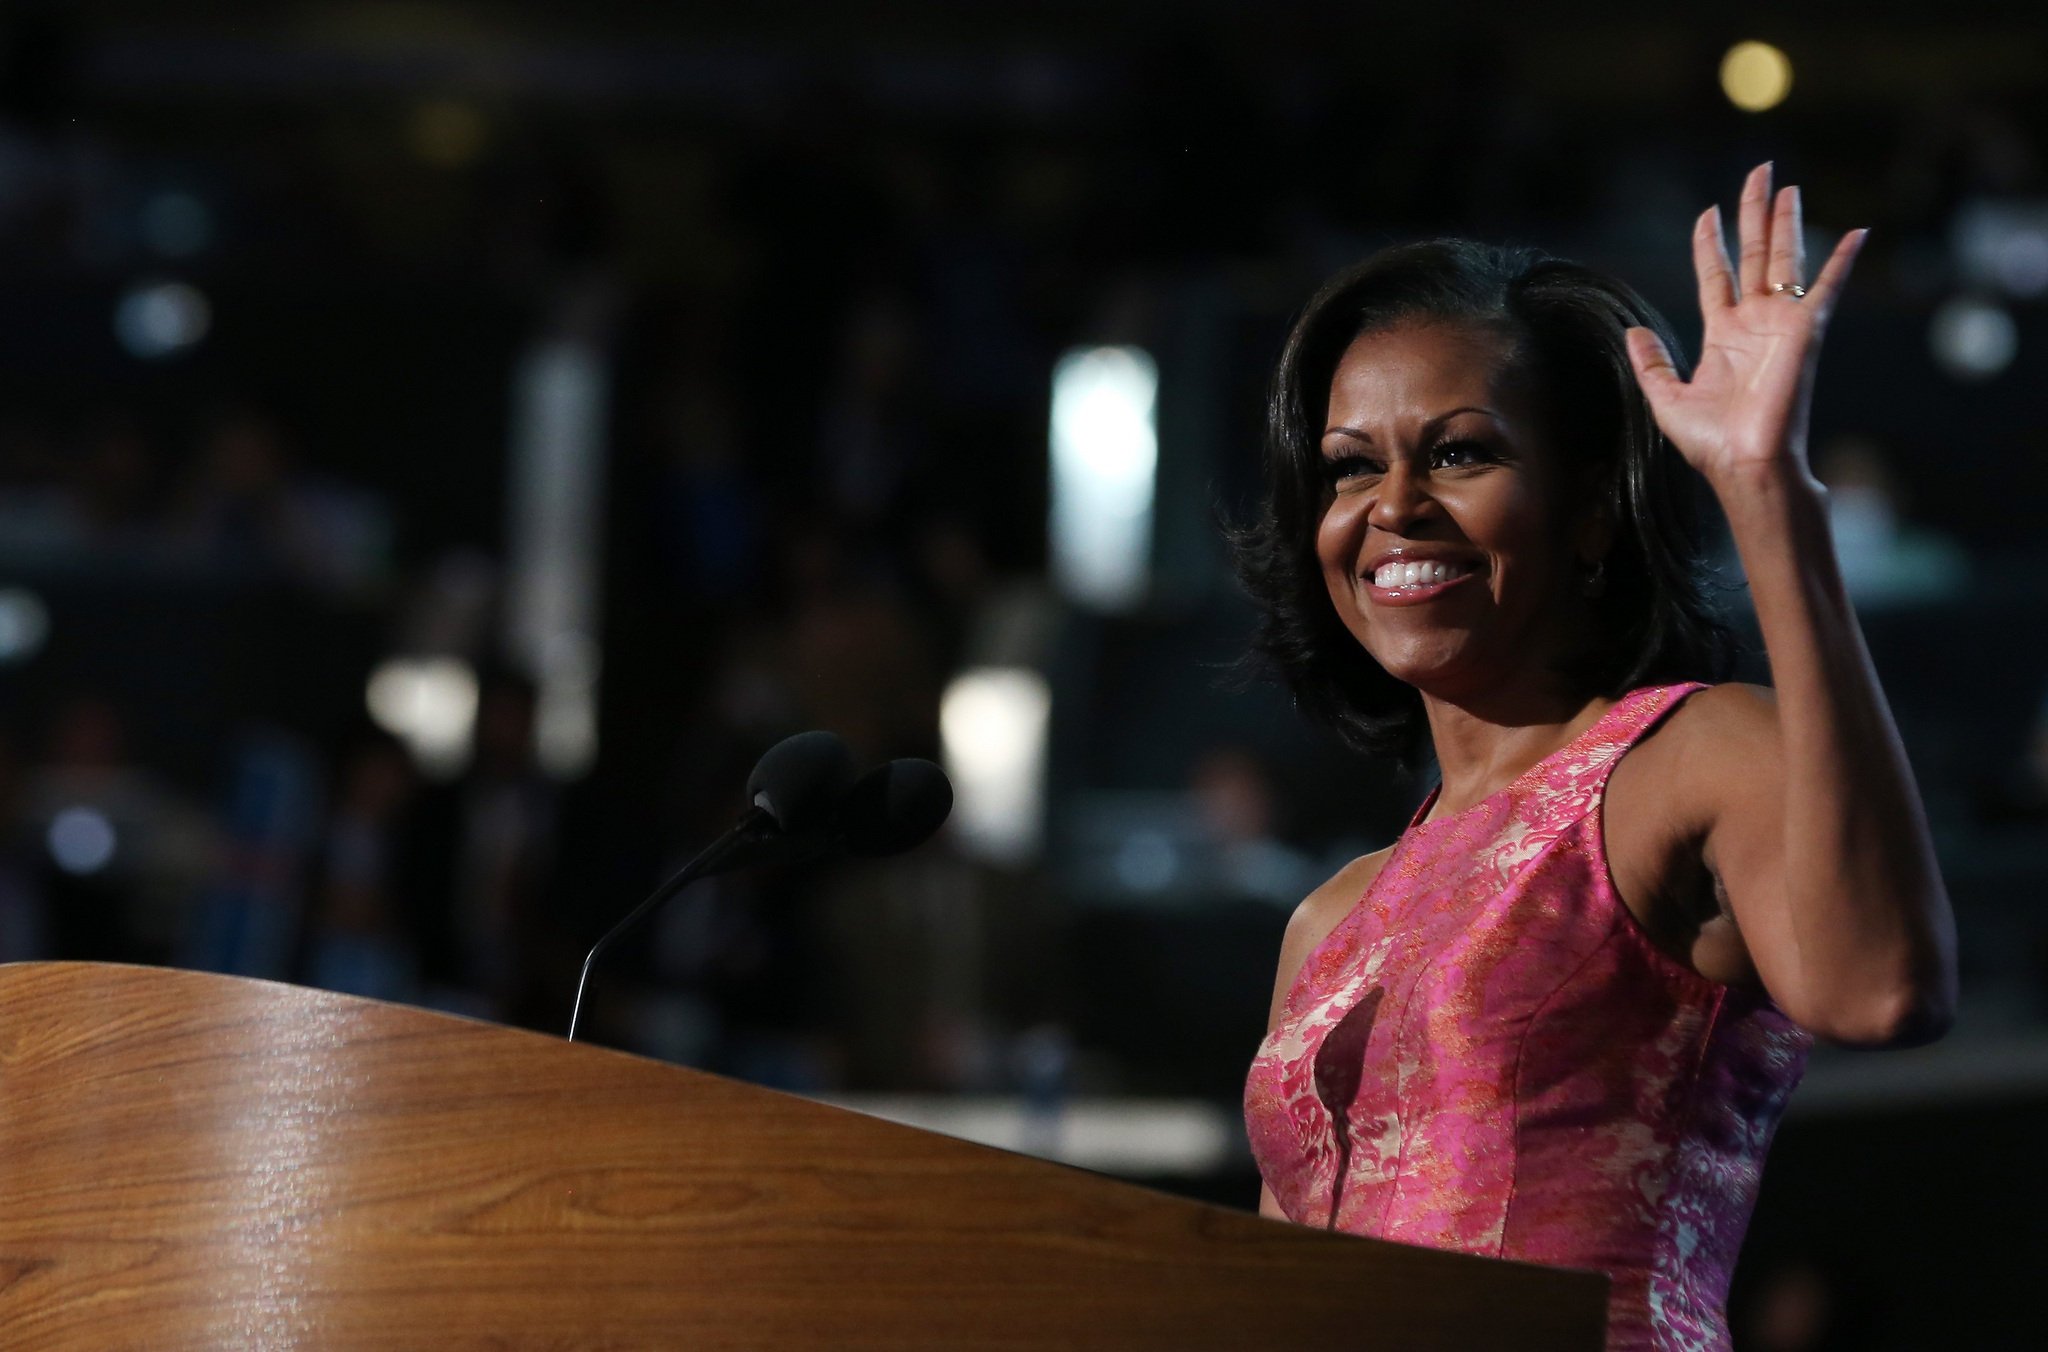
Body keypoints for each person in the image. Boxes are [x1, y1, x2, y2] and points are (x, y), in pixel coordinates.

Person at [1238, 165, 1956, 1352]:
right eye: (1350, 465)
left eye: (1459, 453)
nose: (1392, 505)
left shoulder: (1692, 755)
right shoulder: (1330, 917)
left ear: (1587, 509)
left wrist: (1763, 489)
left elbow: (1879, 987)